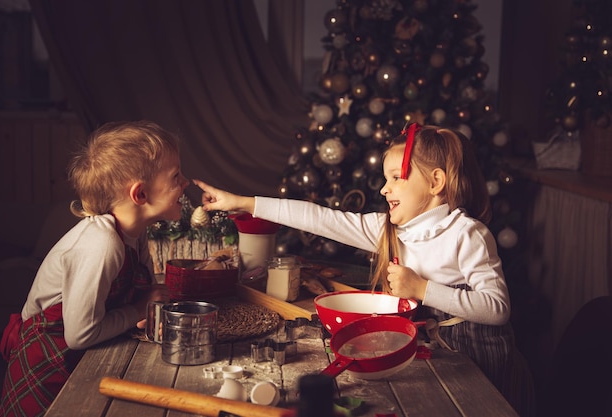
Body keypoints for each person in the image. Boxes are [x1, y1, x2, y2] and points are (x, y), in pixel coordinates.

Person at [194, 123, 536, 416]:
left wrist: (421, 289)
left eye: (396, 178)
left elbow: (498, 309)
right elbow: (319, 218)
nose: (384, 188)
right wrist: (242, 202)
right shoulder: (387, 229)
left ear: (435, 182)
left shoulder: (468, 234)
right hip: (436, 351)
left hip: (481, 361)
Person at [0, 120, 188, 417]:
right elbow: (80, 334)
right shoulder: (101, 245)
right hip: (47, 364)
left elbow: (143, 293)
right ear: (140, 195)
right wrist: (138, 310)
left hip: (81, 360)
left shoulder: (135, 233)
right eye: (176, 176)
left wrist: (149, 308)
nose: (185, 183)